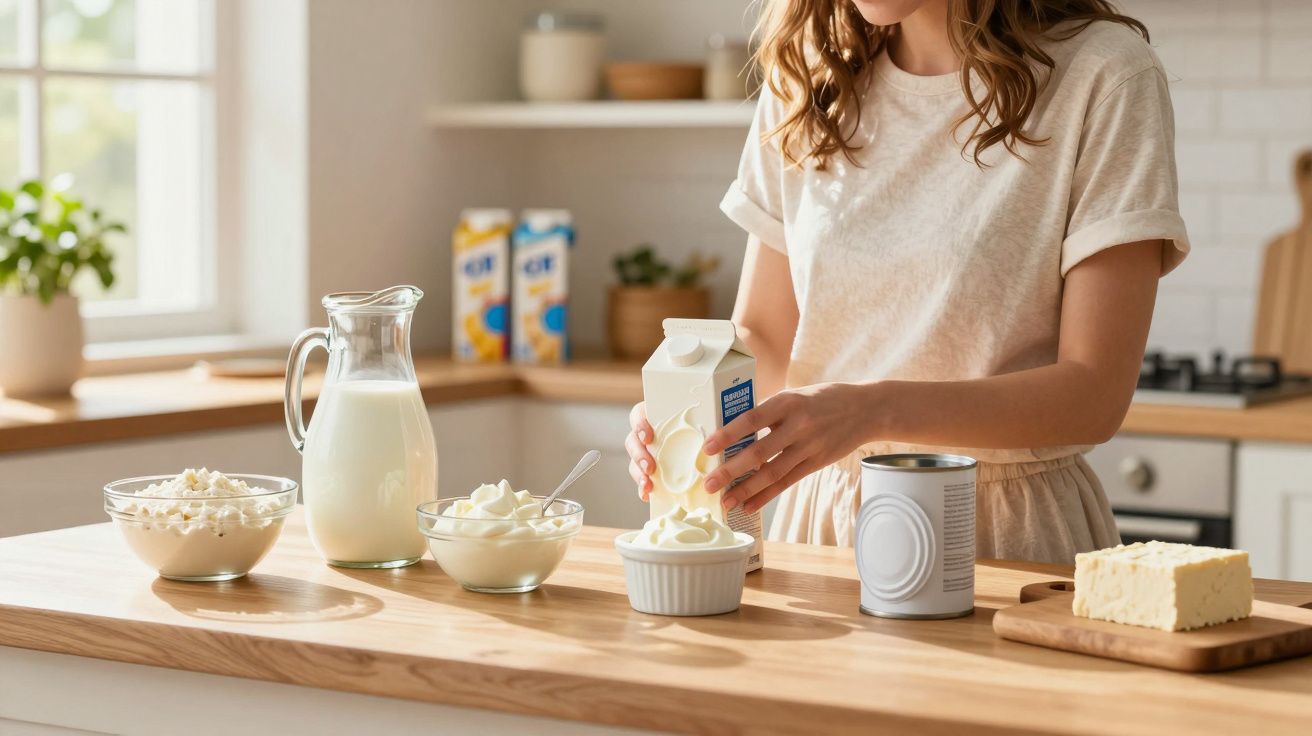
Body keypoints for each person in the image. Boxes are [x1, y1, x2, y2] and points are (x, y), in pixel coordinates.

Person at [624, 0, 1190, 564]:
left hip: (1007, 538)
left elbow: (1094, 396)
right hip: (825, 531)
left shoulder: (1104, 74)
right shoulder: (809, 76)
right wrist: (690, 401)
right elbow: (765, 339)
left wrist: (872, 410)